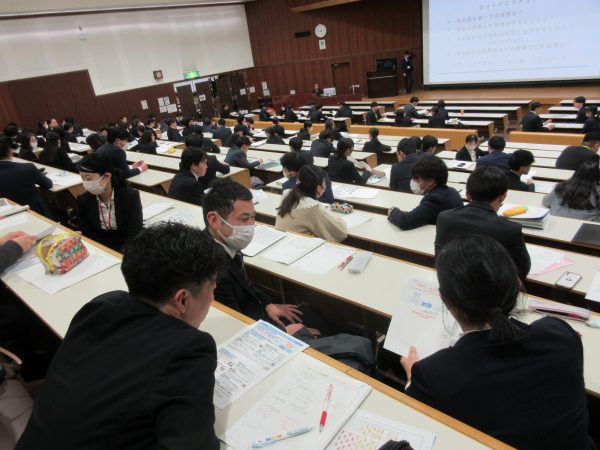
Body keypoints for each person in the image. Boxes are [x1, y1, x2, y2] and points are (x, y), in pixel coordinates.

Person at [15, 223, 224, 450]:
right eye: (212, 289)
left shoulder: (103, 305)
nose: (212, 298)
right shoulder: (189, 349)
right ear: (182, 300)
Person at [401, 235, 593, 450]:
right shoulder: (560, 334)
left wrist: (411, 380)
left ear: (446, 301)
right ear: (516, 285)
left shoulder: (433, 375)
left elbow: (415, 419)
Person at [203, 180, 307, 329]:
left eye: (253, 217)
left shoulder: (226, 240)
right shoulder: (212, 271)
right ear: (214, 220)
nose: (251, 225)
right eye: (244, 219)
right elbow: (235, 323)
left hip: (256, 309)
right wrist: (284, 332)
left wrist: (267, 303)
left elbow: (246, 283)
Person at [435, 166, 531, 279]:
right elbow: (522, 270)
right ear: (502, 197)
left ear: (467, 195)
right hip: (490, 286)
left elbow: (439, 257)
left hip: (452, 282)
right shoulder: (510, 229)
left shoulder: (444, 217)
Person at [76, 153, 143, 251]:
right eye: (83, 179)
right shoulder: (83, 200)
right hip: (99, 247)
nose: (85, 183)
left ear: (107, 176)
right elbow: (86, 232)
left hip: (125, 246)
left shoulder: (130, 196)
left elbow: (134, 232)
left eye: (88, 178)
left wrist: (122, 253)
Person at [388, 156, 462, 230]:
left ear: (430, 181)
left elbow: (405, 221)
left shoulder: (434, 200)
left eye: (417, 179)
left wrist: (393, 211)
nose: (413, 181)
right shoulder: (452, 191)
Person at [276, 165, 347, 242]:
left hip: (283, 242)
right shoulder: (312, 207)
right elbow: (340, 232)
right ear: (319, 187)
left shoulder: (288, 195)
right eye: (324, 182)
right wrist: (339, 219)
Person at [0, 137, 53, 216]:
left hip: (5, 214)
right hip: (34, 212)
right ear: (11, 152)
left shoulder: (27, 168)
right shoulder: (28, 168)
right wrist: (38, 175)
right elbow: (48, 184)